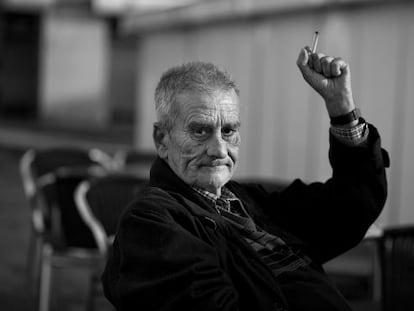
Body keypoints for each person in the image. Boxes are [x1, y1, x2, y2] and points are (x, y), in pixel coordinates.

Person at [102, 46, 389, 310]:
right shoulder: (151, 222)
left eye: (228, 131)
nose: (218, 150)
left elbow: (352, 207)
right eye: (200, 131)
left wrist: (341, 107)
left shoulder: (244, 201)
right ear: (161, 139)